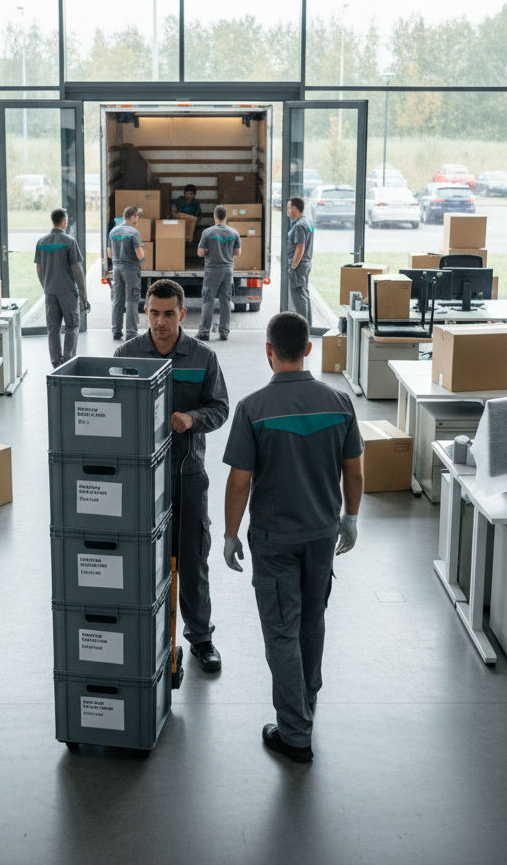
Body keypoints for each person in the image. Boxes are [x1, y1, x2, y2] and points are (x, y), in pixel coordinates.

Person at [222, 312, 363, 763]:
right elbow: (355, 471)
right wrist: (351, 518)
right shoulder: (340, 402)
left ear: (268, 350)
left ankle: (295, 734)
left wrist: (229, 534)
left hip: (274, 539)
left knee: (281, 631)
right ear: (307, 349)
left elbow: (239, 482)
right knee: (312, 620)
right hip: (323, 533)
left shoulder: (252, 409)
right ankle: (308, 699)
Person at [115, 278, 229, 674]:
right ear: (144, 312)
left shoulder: (203, 358)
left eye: (168, 314)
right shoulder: (128, 353)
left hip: (187, 475)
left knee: (193, 558)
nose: (160, 322)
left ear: (183, 314)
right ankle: (143, 632)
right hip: (139, 478)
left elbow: (219, 408)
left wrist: (192, 418)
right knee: (141, 557)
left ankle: (200, 639)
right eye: (153, 313)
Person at [34, 208, 88, 369]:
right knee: (72, 326)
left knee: (53, 329)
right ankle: (68, 360)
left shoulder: (41, 242)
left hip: (50, 292)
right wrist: (84, 295)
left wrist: (46, 287)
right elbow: (77, 270)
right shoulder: (69, 241)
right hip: (68, 292)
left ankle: (56, 362)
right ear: (64, 221)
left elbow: (39, 269)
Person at [196, 204, 241, 342]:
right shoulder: (234, 233)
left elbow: (200, 253)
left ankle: (204, 331)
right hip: (227, 270)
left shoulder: (207, 233)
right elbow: (237, 253)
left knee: (208, 300)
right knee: (226, 301)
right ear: (226, 216)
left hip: (212, 270)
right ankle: (224, 332)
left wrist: (210, 251)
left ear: (214, 216)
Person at [108, 205, 145, 342]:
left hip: (117, 268)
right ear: (134, 216)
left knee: (118, 300)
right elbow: (139, 254)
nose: (137, 219)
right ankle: (131, 332)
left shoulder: (113, 231)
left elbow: (109, 253)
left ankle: (116, 331)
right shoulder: (133, 232)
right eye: (137, 217)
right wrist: (142, 259)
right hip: (130, 268)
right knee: (132, 300)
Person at [286, 197, 315, 325]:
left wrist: (293, 266)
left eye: (289, 208)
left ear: (296, 209)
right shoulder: (307, 222)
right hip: (306, 264)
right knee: (304, 293)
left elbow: (300, 247)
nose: (287, 211)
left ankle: (303, 327)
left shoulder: (299, 226)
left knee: (299, 296)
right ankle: (308, 325)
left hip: (299, 266)